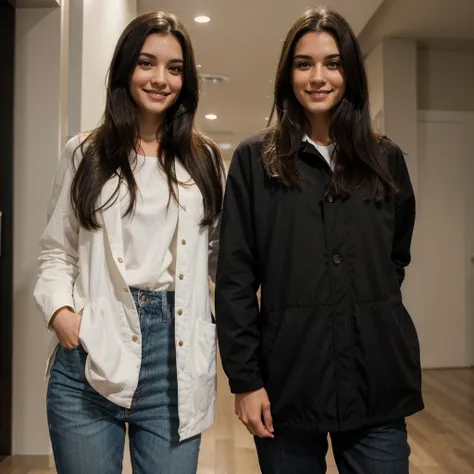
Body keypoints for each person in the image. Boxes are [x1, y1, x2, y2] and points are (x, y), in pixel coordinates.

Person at [215, 7, 423, 474]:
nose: (318, 76)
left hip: (377, 377)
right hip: (288, 381)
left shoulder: (385, 159)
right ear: (288, 74)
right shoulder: (255, 161)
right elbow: (235, 280)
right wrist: (245, 381)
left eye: (332, 63)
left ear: (350, 72)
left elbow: (396, 256)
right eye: (304, 63)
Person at [34, 11, 224, 474]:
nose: (161, 79)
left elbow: (222, 258)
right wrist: (62, 316)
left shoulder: (206, 159)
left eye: (175, 68)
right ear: (125, 69)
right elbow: (57, 249)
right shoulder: (85, 152)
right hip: (91, 354)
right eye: (147, 63)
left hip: (174, 363)